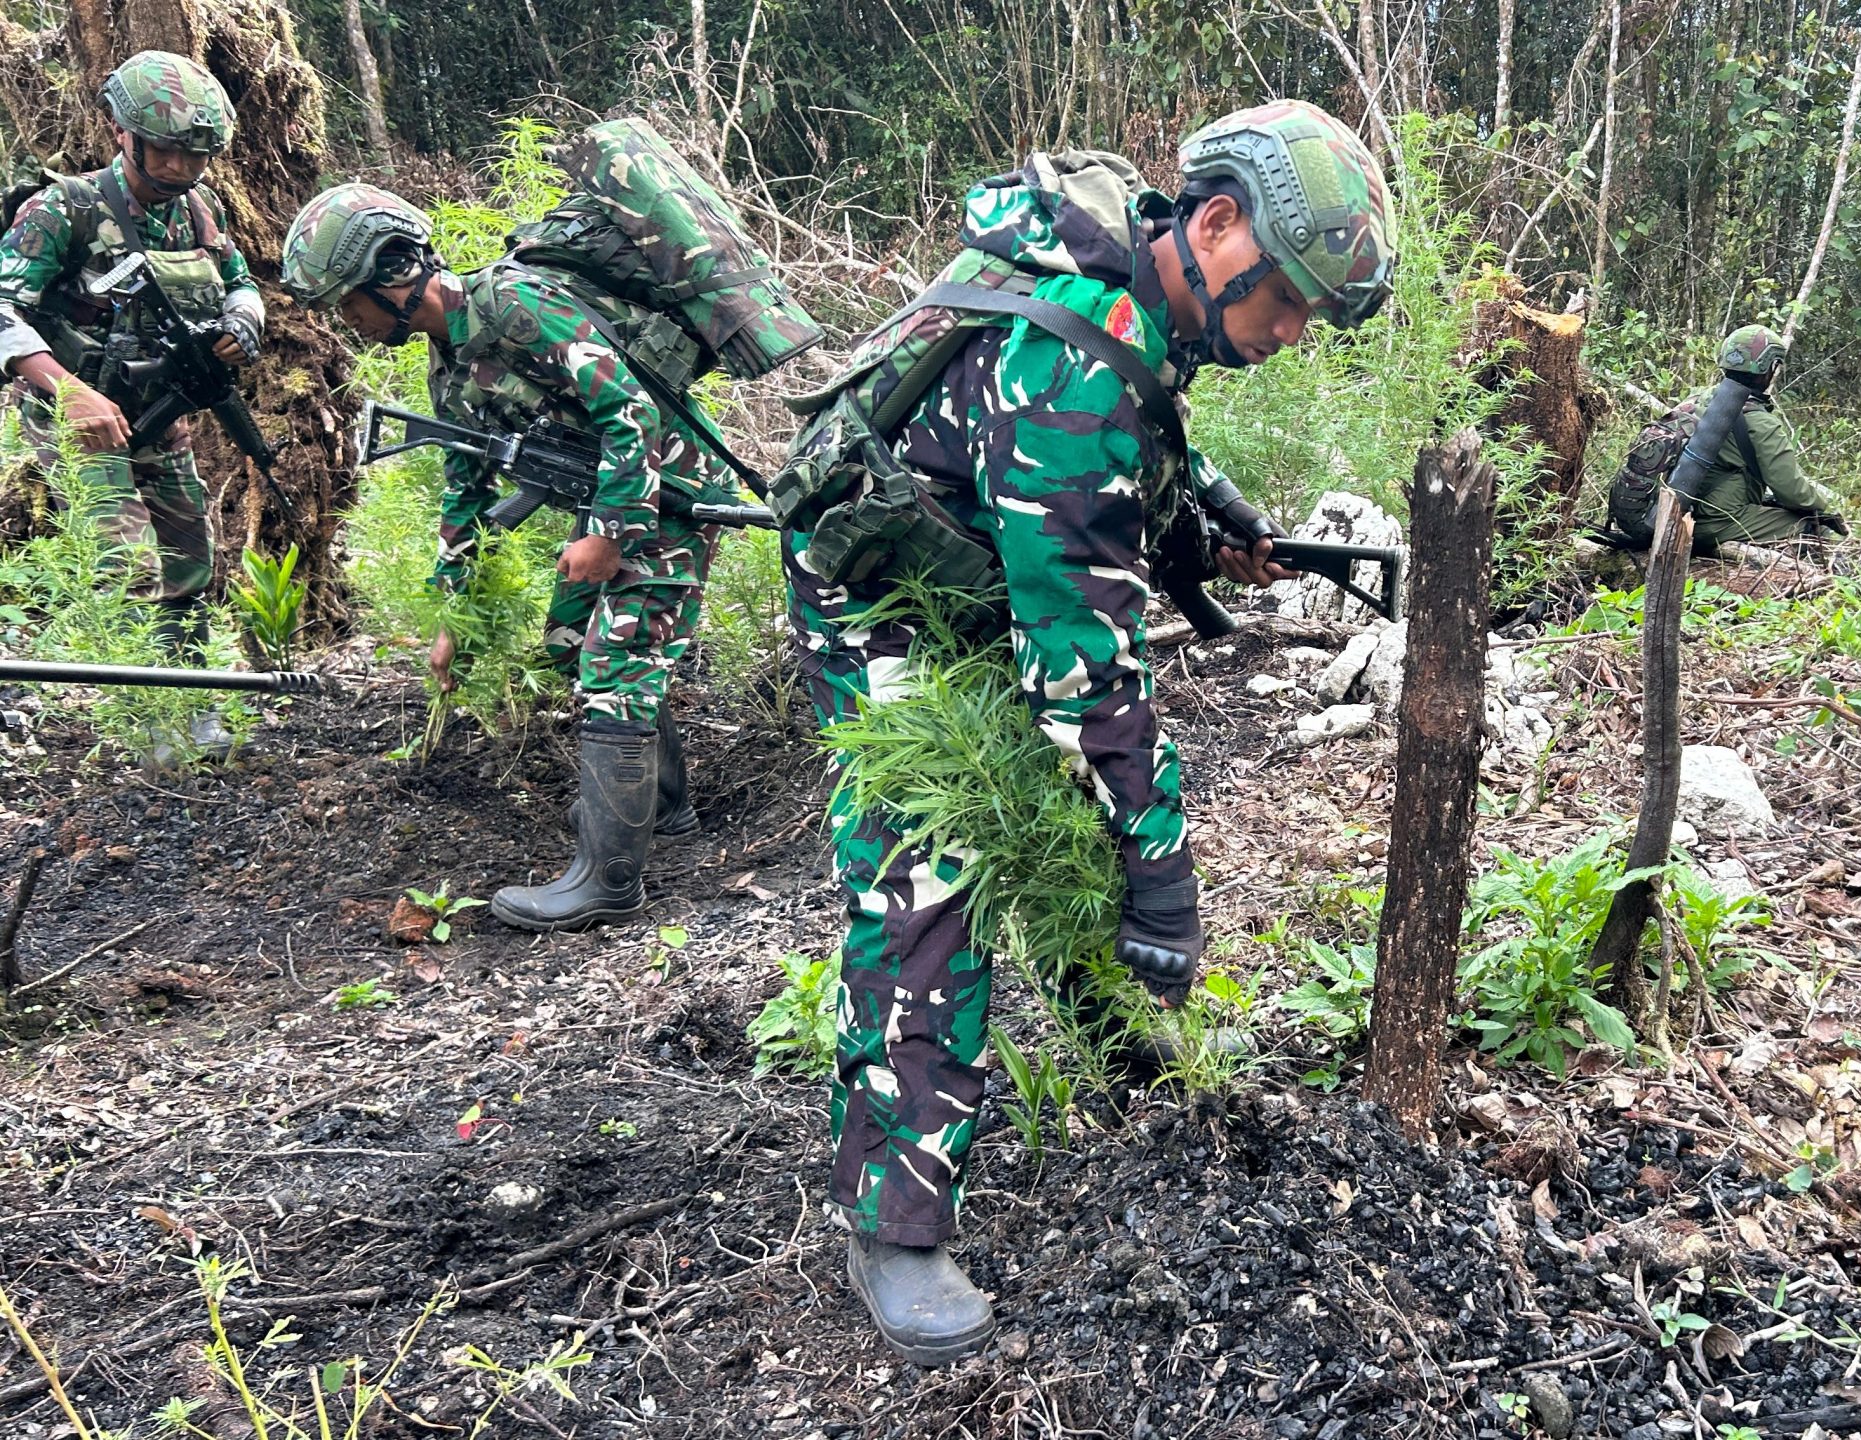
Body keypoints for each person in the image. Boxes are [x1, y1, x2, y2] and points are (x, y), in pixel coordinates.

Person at [770, 101, 1396, 1366]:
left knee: (1065, 816)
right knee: (927, 872)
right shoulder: (1074, 366)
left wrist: (1202, 506)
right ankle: (893, 1225)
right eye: (1283, 304)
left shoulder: (1125, 265)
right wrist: (1164, 880)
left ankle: (1125, 1054)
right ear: (1214, 226)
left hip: (972, 561)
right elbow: (1089, 674)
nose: (1286, 337)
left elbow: (1131, 425)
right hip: (879, 593)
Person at [279, 183, 730, 930]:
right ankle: (666, 810)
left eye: (347, 303)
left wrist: (609, 535)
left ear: (392, 273)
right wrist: (453, 613)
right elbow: (467, 494)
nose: (347, 324)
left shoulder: (518, 305)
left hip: (668, 495)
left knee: (617, 667)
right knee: (567, 647)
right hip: (614, 502)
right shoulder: (449, 364)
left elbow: (631, 412)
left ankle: (610, 881)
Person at [0, 51, 263, 658]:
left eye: (196, 154)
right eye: (164, 149)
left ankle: (191, 705)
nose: (179, 167)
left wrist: (242, 320)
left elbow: (242, 280)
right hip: (76, 414)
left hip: (160, 412)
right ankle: (149, 721)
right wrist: (70, 392)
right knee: (128, 568)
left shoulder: (201, 210)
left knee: (190, 558)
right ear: (122, 133)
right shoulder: (65, 207)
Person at [1609, 323, 1845, 552]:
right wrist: (1827, 512)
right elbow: (1791, 488)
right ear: (1771, 368)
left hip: (1673, 513)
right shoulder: (1761, 422)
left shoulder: (1700, 399)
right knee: (1813, 531)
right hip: (1712, 522)